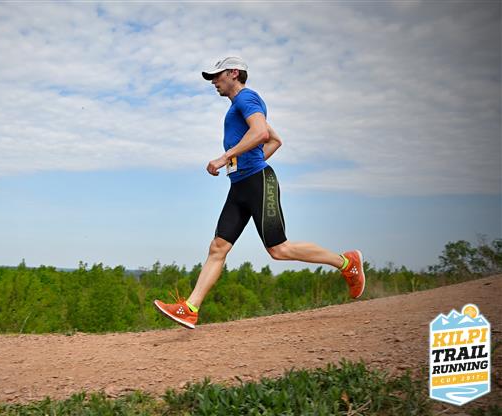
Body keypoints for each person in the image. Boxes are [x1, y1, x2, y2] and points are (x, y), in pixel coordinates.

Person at [153, 56, 365, 329]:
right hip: (240, 184)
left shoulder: (246, 98)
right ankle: (190, 308)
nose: (214, 82)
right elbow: (275, 140)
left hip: (258, 182)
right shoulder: (238, 106)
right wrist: (246, 161)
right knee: (218, 247)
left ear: (234, 73)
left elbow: (261, 133)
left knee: (279, 249)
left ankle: (346, 263)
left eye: (217, 76)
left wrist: (225, 157)